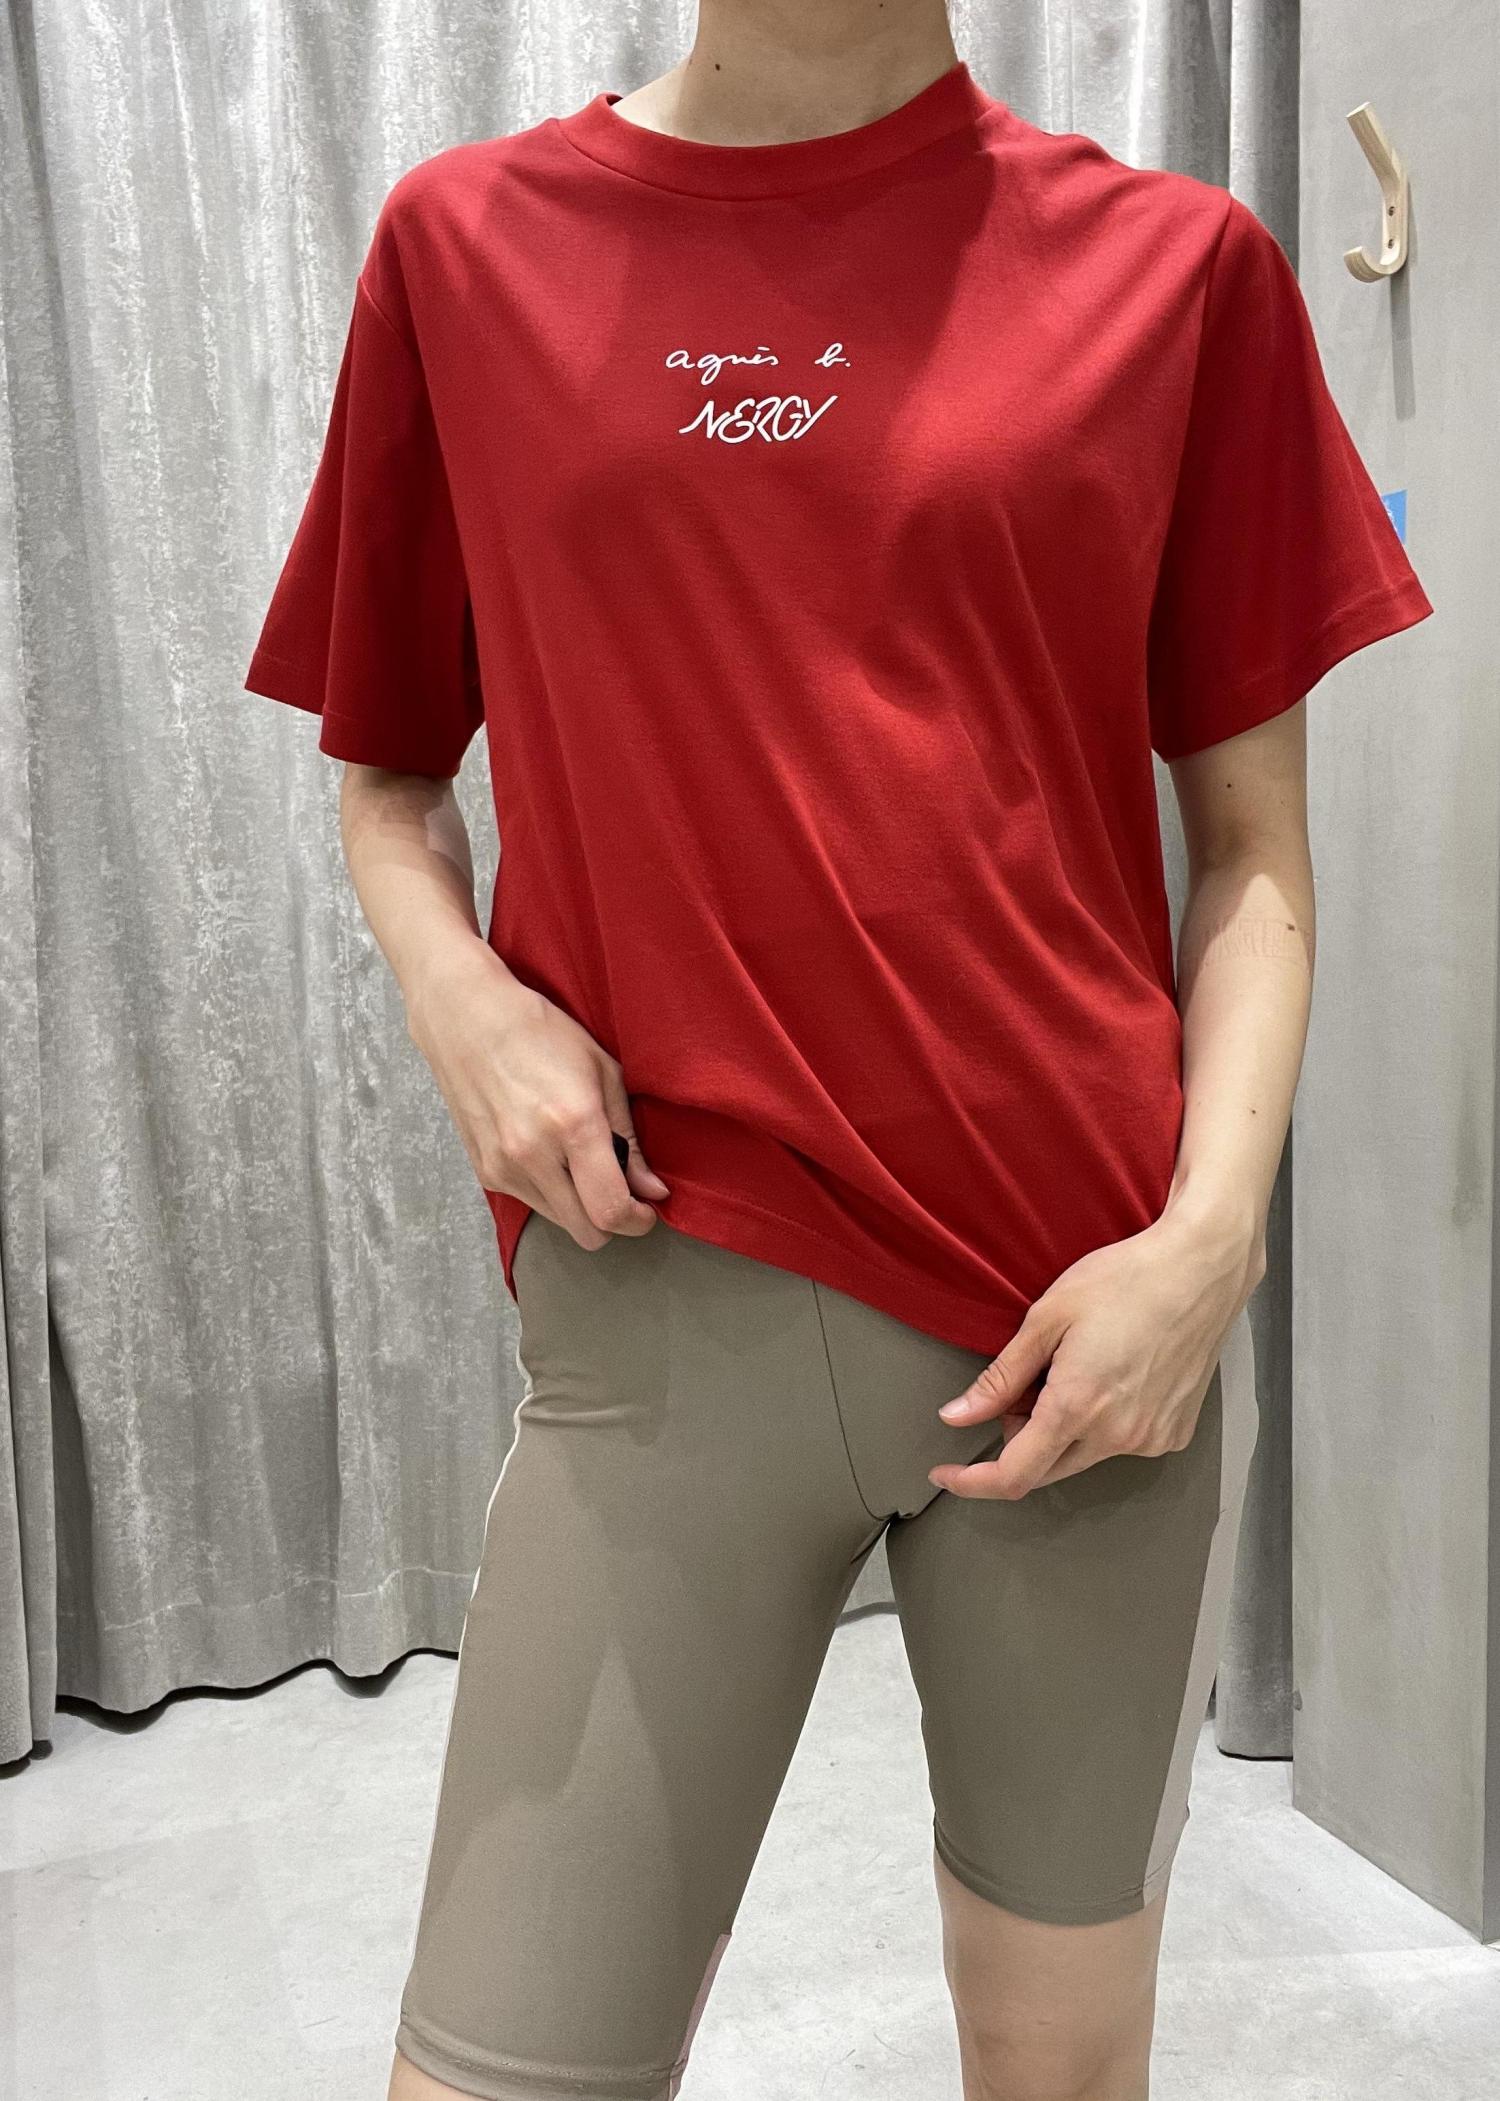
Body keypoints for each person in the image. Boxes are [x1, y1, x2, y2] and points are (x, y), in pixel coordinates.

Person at [243, 6, 1433, 2097]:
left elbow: (1253, 855)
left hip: (1086, 1342)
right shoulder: (469, 251)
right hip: (661, 1308)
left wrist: (1210, 1242)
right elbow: (389, 777)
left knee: (1061, 2068)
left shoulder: (1179, 275)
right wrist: (464, 999)